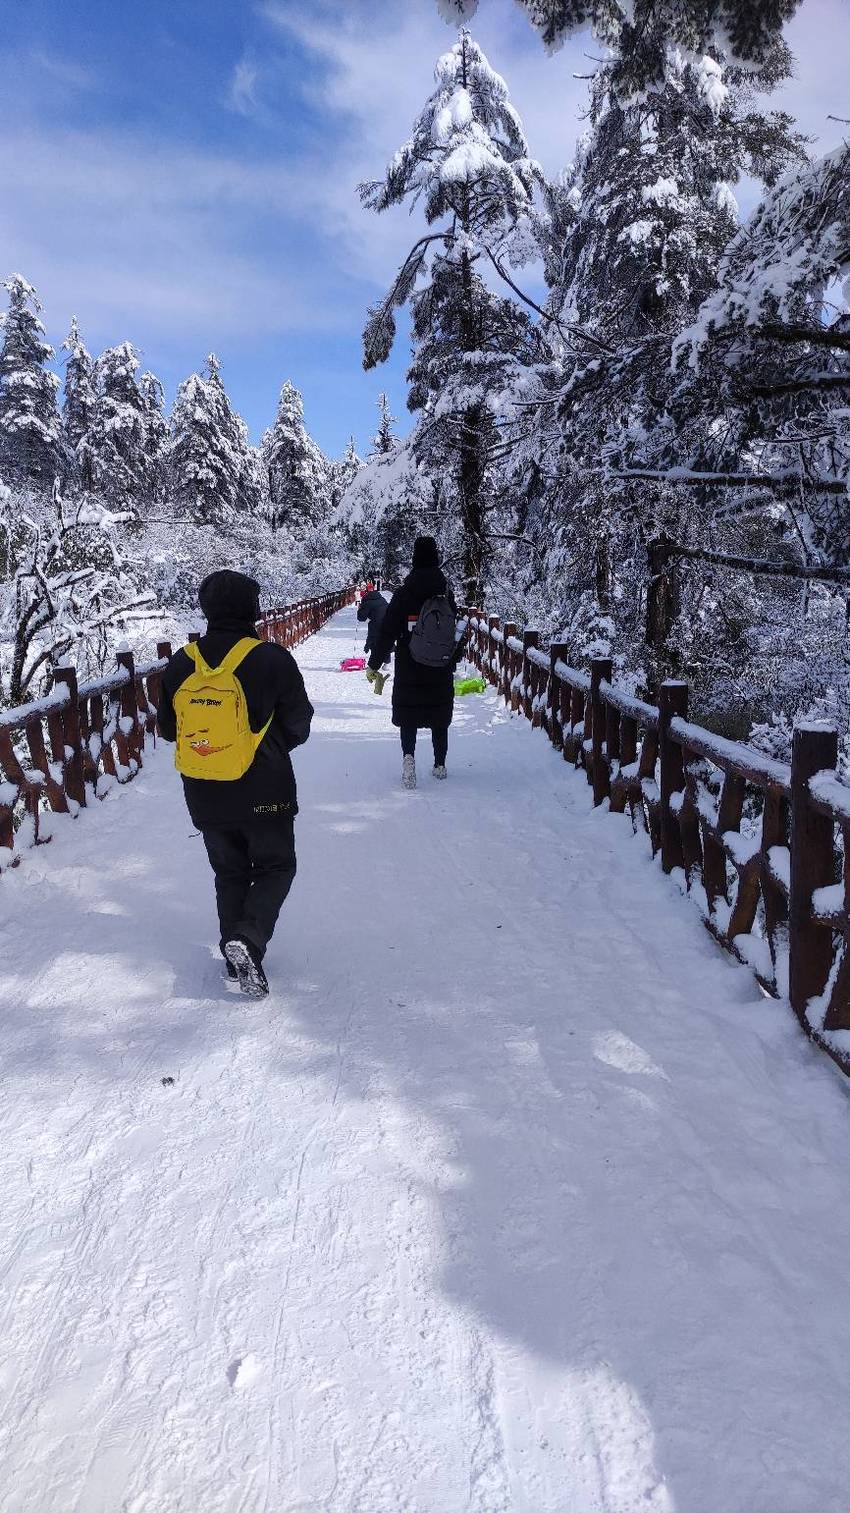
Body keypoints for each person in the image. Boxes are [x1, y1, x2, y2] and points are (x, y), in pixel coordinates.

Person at [157, 569, 313, 997]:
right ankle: (248, 939)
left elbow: (169, 731)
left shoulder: (181, 662)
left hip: (204, 787)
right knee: (277, 866)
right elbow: (300, 724)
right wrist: (267, 745)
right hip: (266, 787)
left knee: (229, 872)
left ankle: (236, 958)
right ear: (252, 608)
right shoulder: (271, 658)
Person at [366, 536, 462, 789]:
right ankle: (439, 764)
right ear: (437, 558)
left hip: (410, 663)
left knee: (409, 714)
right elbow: (455, 627)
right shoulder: (447, 591)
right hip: (440, 665)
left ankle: (409, 759)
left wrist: (375, 663)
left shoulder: (405, 592)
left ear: (415, 559)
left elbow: (387, 630)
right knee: (439, 713)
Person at [356, 580, 389, 660]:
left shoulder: (367, 602)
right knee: (385, 640)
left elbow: (361, 618)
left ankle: (374, 665)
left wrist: (360, 609)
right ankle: (386, 662)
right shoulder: (382, 599)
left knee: (374, 643)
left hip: (375, 625)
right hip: (387, 623)